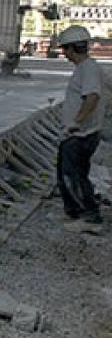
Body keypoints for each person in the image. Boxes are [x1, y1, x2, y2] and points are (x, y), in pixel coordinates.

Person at [55, 25, 104, 234]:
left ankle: (90, 217)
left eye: (65, 49)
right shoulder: (85, 68)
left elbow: (92, 97)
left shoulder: (88, 69)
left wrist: (76, 121)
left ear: (73, 48)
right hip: (79, 132)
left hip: (80, 134)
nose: (64, 54)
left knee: (73, 175)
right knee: (71, 172)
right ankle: (75, 211)